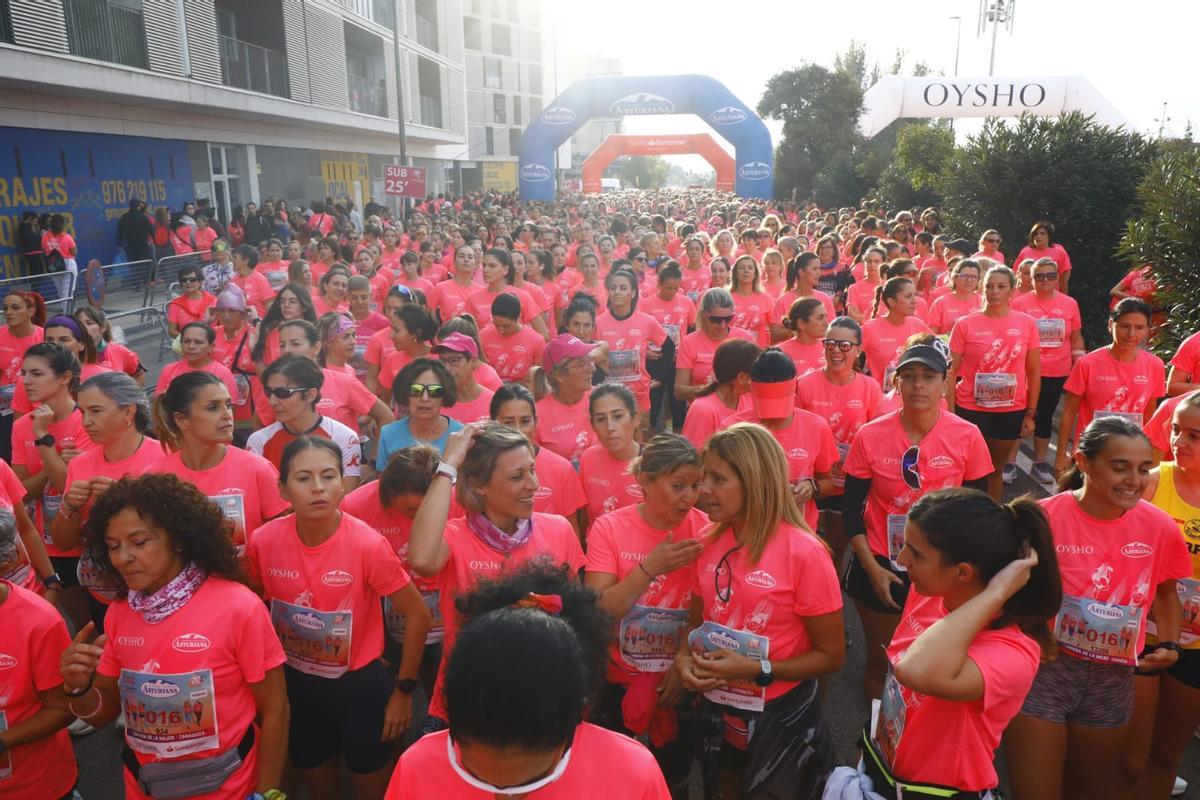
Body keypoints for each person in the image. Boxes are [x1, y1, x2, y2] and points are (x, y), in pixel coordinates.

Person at [59, 473, 289, 799]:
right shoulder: (120, 612)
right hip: (144, 786)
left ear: (178, 539)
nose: (124, 556)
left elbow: (276, 708)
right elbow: (105, 711)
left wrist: (267, 794)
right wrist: (78, 688)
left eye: (139, 542)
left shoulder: (239, 607)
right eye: (113, 546)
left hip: (229, 788)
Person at [828, 487, 1060, 800]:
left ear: (962, 572)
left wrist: (996, 593)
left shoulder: (1013, 653)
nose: (900, 559)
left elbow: (915, 671)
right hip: (882, 771)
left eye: (916, 553)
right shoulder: (928, 595)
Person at [1004, 418, 1191, 800]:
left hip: (1114, 681)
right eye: (1119, 466)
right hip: (1046, 671)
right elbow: (1005, 595)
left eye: (1142, 468)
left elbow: (1166, 593)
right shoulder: (1041, 518)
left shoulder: (1159, 527)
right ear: (1083, 462)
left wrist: (1168, 646)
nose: (1134, 480)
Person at [383, 560, 671, 799]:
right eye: (477, 776)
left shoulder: (632, 773)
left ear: (576, 715)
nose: (506, 798)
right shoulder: (417, 768)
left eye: (535, 780)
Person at [248, 437, 429, 799]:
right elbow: (254, 606)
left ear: (343, 483)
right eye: (303, 478)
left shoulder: (367, 544)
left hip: (360, 689)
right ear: (282, 488)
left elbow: (417, 614)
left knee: (369, 786)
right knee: (320, 788)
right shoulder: (263, 541)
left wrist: (403, 691)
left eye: (329, 476)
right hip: (297, 687)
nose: (318, 487)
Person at [676, 423, 843, 800]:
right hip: (718, 708)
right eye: (705, 477)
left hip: (780, 717)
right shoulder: (705, 540)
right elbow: (695, 623)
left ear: (753, 480)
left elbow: (831, 656)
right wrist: (684, 658)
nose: (704, 490)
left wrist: (759, 669)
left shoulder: (805, 552)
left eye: (718, 479)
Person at [407, 422, 586, 726]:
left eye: (532, 470)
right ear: (480, 486)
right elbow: (422, 559)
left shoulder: (559, 530)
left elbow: (578, 618)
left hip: (541, 695)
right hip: (470, 696)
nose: (534, 484)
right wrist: (448, 464)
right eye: (518, 476)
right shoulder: (456, 536)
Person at [843, 342, 993, 700]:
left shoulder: (967, 435)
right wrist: (872, 568)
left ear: (945, 383)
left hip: (946, 570)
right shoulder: (869, 435)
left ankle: (922, 744)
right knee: (883, 664)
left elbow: (980, 510)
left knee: (937, 668)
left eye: (928, 377)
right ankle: (877, 748)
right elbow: (851, 511)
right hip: (884, 566)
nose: (918, 386)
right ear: (896, 384)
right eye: (908, 377)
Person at [583, 434, 708, 797]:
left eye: (696, 485)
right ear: (646, 482)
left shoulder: (705, 529)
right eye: (678, 485)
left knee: (674, 780)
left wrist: (681, 664)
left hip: (678, 678)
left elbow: (706, 610)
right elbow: (600, 611)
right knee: (612, 779)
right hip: (616, 677)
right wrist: (650, 568)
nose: (689, 496)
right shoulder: (609, 528)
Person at [1120, 393, 1200, 797]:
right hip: (1141, 636)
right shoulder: (1152, 482)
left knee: (1166, 755)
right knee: (1131, 757)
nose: (1179, 442)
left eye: (1195, 435)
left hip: (1197, 648)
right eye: (1175, 430)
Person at [51, 372, 161, 632]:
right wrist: (69, 507)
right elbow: (65, 543)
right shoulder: (80, 464)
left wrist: (128, 500)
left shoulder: (164, 457)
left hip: (156, 587)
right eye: (83, 412)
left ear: (128, 412)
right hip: (102, 591)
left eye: (96, 411)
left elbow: (182, 530)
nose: (87, 421)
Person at [342, 445, 454, 697]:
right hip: (383, 601)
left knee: (442, 674)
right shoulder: (356, 505)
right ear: (389, 493)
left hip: (443, 595)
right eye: (414, 509)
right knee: (387, 678)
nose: (425, 516)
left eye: (431, 506)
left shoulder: (454, 498)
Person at [153, 371, 288, 554]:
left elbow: (285, 538)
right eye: (212, 408)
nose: (227, 415)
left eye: (228, 405)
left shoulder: (257, 469)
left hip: (249, 581)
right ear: (182, 420)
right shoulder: (156, 477)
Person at [12, 343, 93, 630]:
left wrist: (44, 438)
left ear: (64, 378)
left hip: (87, 539)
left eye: (36, 373)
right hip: (48, 546)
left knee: (98, 623)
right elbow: (20, 492)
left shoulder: (88, 419)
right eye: (23, 373)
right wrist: (52, 453)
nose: (26, 381)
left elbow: (65, 486)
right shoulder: (24, 425)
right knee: (75, 623)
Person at [0, 505, 78, 800]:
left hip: (35, 786)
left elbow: (61, 709)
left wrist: (4, 741)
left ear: (6, 565)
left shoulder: (38, 621)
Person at [947, 265, 1041, 500]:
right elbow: (949, 372)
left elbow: (1034, 370)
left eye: (1001, 286)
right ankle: (962, 517)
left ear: (1012, 290)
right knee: (966, 471)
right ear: (982, 288)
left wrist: (1030, 412)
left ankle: (993, 518)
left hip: (1009, 410)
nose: (994, 291)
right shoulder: (965, 324)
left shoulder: (1027, 323)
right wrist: (949, 412)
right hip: (969, 408)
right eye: (989, 286)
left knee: (994, 468)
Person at [719, 348, 837, 532]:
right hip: (748, 531)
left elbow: (828, 483)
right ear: (751, 389)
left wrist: (811, 487)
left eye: (779, 403)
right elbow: (719, 487)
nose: (773, 418)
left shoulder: (817, 426)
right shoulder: (732, 429)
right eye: (766, 403)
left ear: (794, 388)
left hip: (799, 533)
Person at [797, 317, 883, 566]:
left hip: (848, 483)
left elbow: (875, 437)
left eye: (844, 345)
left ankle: (828, 597)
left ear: (858, 350)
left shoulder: (870, 388)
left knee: (835, 550)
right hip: (811, 481)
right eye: (830, 343)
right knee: (805, 547)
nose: (836, 350)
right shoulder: (805, 384)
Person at [1055, 298, 1166, 477]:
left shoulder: (1155, 365)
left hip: (1130, 457)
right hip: (1091, 454)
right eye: (1124, 326)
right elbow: (1068, 412)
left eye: (1139, 327)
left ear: (1148, 329)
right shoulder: (1087, 364)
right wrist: (1061, 454)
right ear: (1110, 324)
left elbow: (1149, 415)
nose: (1131, 334)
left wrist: (1146, 456)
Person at [1012, 256, 1086, 484]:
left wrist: (1078, 365)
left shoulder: (1069, 303)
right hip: (1025, 370)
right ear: (1030, 279)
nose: (1045, 280)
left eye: (1051, 276)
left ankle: (1039, 461)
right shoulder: (1019, 304)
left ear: (1057, 278)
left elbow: (1075, 338)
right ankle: (1010, 462)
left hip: (1057, 370)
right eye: (1039, 276)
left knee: (1044, 416)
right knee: (1018, 415)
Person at [248, 355, 362, 493]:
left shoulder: (344, 437)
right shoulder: (258, 441)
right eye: (268, 392)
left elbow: (347, 499)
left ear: (310, 395)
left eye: (282, 393)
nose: (272, 401)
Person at [490, 382, 588, 539]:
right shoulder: (481, 471)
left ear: (536, 422)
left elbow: (572, 538)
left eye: (525, 421)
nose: (517, 430)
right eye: (508, 422)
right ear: (493, 423)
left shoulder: (561, 469)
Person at [275, 319, 393, 436]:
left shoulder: (344, 381)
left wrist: (377, 453)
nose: (287, 350)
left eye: (295, 344)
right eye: (282, 345)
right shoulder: (275, 385)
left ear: (316, 347)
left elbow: (386, 416)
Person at [594, 267, 667, 417]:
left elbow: (669, 347)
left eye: (622, 288)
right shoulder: (598, 323)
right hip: (609, 395)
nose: (617, 292)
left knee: (640, 438)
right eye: (613, 288)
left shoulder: (648, 322)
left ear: (633, 293)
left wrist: (660, 376)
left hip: (639, 395)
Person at [641, 262, 696, 432]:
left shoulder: (687, 302)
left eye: (676, 288)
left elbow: (692, 330)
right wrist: (646, 352)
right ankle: (652, 437)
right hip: (655, 361)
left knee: (677, 404)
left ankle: (676, 436)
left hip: (679, 362)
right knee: (654, 403)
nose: (672, 292)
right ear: (659, 284)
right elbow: (640, 335)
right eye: (668, 288)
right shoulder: (646, 304)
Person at [578, 383, 643, 527]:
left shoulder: (654, 463)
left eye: (618, 416)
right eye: (601, 419)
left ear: (635, 419)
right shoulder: (588, 459)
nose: (610, 427)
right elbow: (584, 515)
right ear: (592, 425)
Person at [675, 288, 755, 404]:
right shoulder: (689, 342)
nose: (722, 325)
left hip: (740, 413)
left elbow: (758, 382)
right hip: (705, 411)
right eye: (715, 319)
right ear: (704, 315)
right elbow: (679, 391)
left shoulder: (744, 338)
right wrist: (711, 388)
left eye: (728, 319)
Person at [679, 339, 760, 448]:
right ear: (741, 377)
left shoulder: (749, 399)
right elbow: (692, 459)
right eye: (757, 374)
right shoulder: (703, 411)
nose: (761, 379)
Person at [535, 334, 599, 465]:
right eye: (581, 364)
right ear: (559, 376)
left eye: (590, 360)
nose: (592, 368)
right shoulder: (536, 415)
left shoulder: (601, 399)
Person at [862, 277, 932, 389]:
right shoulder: (869, 328)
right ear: (891, 301)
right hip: (881, 398)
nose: (915, 300)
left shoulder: (919, 325)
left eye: (915, 295)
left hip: (914, 395)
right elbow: (848, 356)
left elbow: (941, 352)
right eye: (908, 296)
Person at [0, 289, 45, 460]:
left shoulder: (44, 336)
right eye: (6, 308)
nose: (9, 313)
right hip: (6, 409)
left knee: (33, 454)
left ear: (31, 311)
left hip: (38, 407)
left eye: (15, 307)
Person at [154, 321, 239, 400]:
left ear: (211, 347)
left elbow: (229, 409)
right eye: (186, 341)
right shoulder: (169, 371)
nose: (191, 346)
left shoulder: (223, 374)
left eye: (198, 342)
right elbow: (159, 405)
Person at [478, 293, 546, 385]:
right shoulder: (484, 335)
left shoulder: (536, 341)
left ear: (518, 318)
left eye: (506, 326)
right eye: (497, 325)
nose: (501, 330)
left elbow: (538, 378)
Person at [376, 304, 437, 407]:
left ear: (416, 333)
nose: (391, 336)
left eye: (397, 330)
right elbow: (384, 402)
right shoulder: (392, 360)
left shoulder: (439, 360)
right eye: (391, 329)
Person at [771, 252, 837, 342]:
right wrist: (795, 331)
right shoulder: (783, 300)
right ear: (801, 272)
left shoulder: (824, 299)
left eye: (819, 269)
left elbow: (832, 329)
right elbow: (774, 333)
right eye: (815, 269)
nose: (819, 273)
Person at [75, 306, 147, 387]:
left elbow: (138, 373)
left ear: (103, 327)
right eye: (79, 324)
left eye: (89, 323)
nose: (83, 328)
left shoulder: (119, 351)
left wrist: (133, 397)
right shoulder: (71, 355)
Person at [434, 332, 494, 424]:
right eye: (442, 361)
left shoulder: (493, 402)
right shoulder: (434, 403)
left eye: (454, 361)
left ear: (473, 361)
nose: (446, 368)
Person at [1015, 220, 1073, 294]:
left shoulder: (1059, 252)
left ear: (1049, 236)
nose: (1039, 236)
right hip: (1027, 296)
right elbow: (1016, 275)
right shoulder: (1025, 252)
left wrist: (1064, 301)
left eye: (1042, 234)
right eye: (1036, 234)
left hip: (1051, 296)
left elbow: (1064, 281)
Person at [729, 255, 776, 345]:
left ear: (755, 274)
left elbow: (774, 329)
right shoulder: (726, 297)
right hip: (732, 351)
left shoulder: (766, 298)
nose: (746, 271)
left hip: (758, 351)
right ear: (735, 273)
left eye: (750, 268)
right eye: (742, 268)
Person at [166, 264, 217, 337]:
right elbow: (171, 331)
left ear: (200, 282)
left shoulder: (213, 301)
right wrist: (190, 337)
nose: (188, 282)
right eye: (184, 280)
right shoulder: (176, 305)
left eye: (192, 279)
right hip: (189, 345)